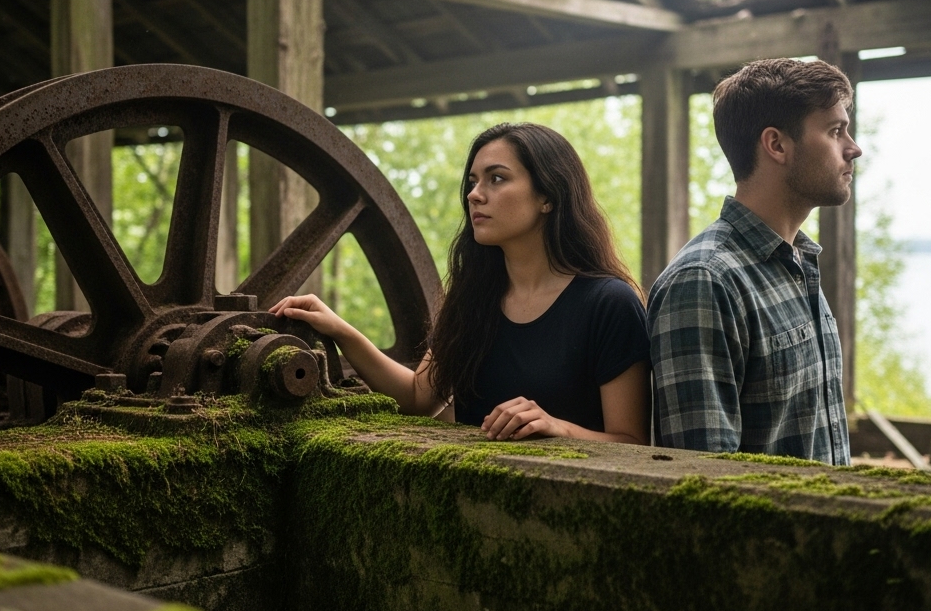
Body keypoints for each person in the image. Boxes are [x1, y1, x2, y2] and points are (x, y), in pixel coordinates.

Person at [272, 122, 650, 444]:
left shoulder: (609, 303)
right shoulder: (473, 298)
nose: (474, 194)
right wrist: (340, 331)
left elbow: (633, 441)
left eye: (496, 179)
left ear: (547, 197)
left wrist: (559, 428)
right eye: (472, 182)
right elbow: (419, 398)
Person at [648, 58, 860, 464]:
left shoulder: (798, 263)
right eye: (835, 131)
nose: (854, 147)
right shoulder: (704, 282)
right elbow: (702, 480)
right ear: (776, 145)